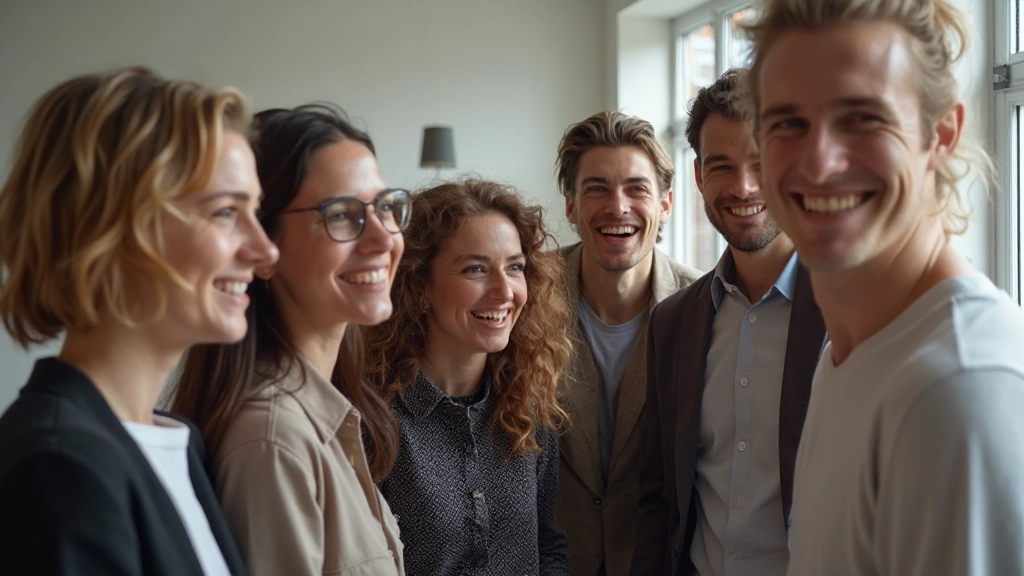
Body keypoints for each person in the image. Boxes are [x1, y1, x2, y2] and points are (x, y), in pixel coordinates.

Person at [742, 1, 1024, 574]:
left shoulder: (956, 390)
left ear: (941, 134)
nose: (819, 164)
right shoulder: (851, 353)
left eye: (863, 118)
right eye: (788, 123)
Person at [0, 67, 276, 575]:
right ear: (112, 227)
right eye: (224, 212)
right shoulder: (59, 468)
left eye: (254, 212)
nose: (265, 250)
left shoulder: (175, 441)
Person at [171, 105, 407, 576]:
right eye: (341, 215)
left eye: (385, 207)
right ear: (262, 244)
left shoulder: (327, 413)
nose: (383, 239)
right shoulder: (274, 441)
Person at [632, 69, 826, 576]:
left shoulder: (850, 312)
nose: (743, 187)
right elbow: (659, 498)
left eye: (762, 163)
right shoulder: (672, 322)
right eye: (722, 166)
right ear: (699, 177)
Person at [363, 179, 573, 575]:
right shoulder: (373, 420)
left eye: (515, 267)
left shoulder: (528, 408)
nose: (504, 290)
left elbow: (548, 549)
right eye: (476, 269)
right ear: (419, 285)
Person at [553, 110, 701, 575]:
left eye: (637, 189)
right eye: (596, 189)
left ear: (666, 204)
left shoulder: (704, 308)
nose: (617, 207)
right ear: (571, 206)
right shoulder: (525, 294)